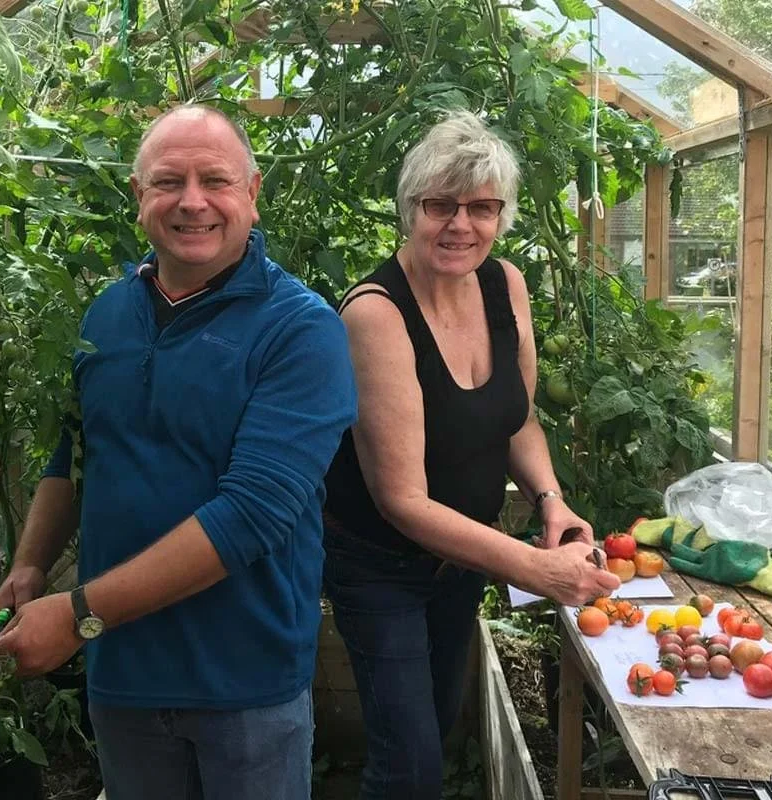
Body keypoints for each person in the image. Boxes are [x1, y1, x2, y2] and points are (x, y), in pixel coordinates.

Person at [0, 104, 358, 800]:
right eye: (168, 182)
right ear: (139, 196)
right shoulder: (107, 313)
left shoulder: (300, 330)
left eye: (215, 180)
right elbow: (73, 454)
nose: (192, 202)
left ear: (252, 192)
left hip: (243, 680)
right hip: (122, 670)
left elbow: (250, 515)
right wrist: (31, 563)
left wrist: (76, 615)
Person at [322, 111, 621, 799]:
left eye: (481, 207)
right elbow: (401, 499)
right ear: (410, 210)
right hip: (379, 565)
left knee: (437, 721)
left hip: (462, 561)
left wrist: (550, 498)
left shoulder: (503, 285)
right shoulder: (374, 314)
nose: (461, 225)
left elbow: (513, 418)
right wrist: (535, 568)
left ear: (501, 215)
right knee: (408, 764)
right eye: (440, 205)